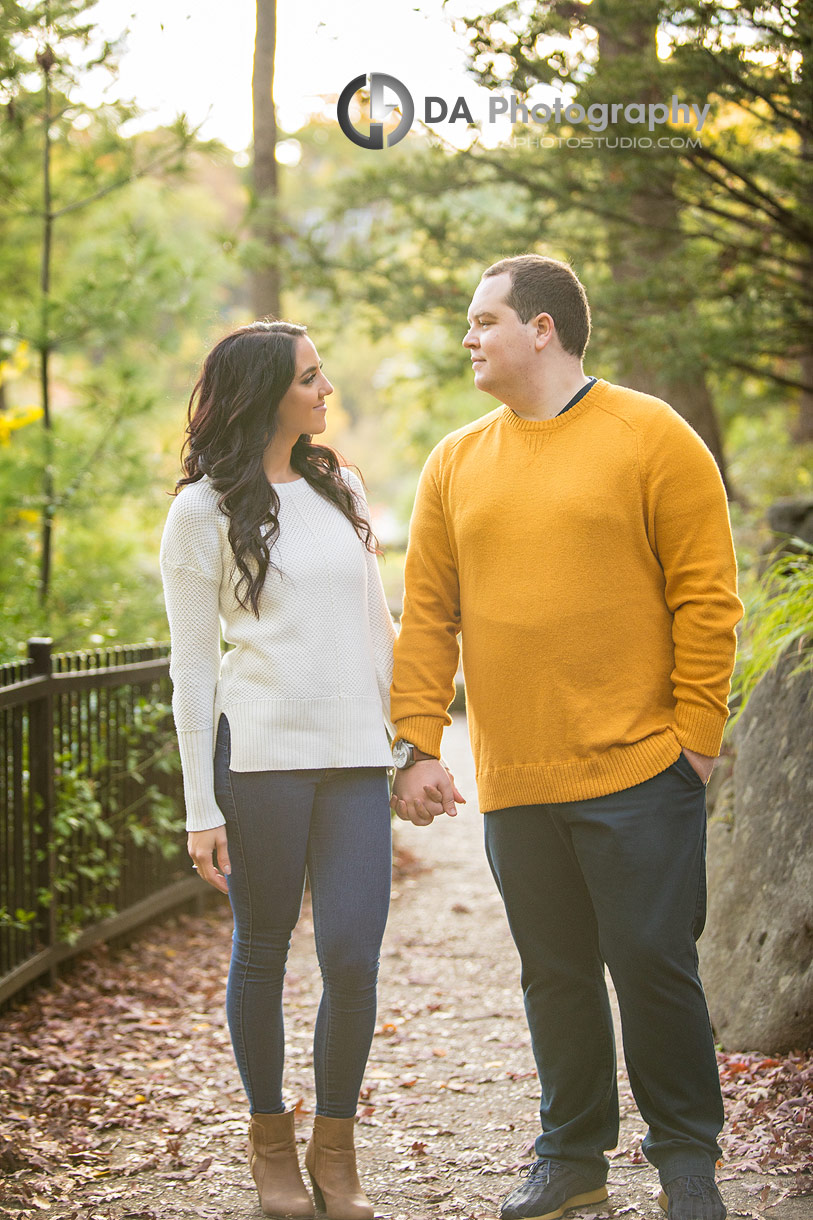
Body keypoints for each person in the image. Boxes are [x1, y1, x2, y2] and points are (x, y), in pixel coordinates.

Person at [389, 255, 743, 1220]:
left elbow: (707, 595)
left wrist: (695, 740)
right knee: (553, 974)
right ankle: (571, 1155)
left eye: (484, 319)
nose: (469, 337)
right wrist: (418, 743)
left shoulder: (649, 434)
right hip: (515, 775)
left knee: (652, 965)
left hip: (640, 767)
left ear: (541, 329)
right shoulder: (455, 461)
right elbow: (427, 618)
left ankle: (684, 1161)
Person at [160, 320, 397, 1220]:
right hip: (257, 763)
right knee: (261, 952)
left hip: (353, 763)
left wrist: (411, 740)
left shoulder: (343, 488)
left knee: (351, 953)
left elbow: (379, 627)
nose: (325, 387)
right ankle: (271, 1143)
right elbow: (192, 669)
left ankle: (334, 1147)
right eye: (309, 376)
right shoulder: (200, 511)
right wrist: (198, 807)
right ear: (267, 393)